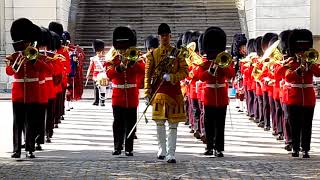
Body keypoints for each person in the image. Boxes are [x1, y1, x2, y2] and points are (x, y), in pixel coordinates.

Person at [5, 18, 49, 158]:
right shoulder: (14, 56)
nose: (24, 45)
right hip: (18, 93)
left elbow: (46, 69)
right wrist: (11, 64)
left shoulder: (37, 56)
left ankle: (30, 148)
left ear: (30, 41)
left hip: (33, 93)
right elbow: (10, 72)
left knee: (31, 123)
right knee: (17, 122)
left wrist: (34, 60)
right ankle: (17, 149)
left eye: (26, 42)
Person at [144, 23, 188, 163]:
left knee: (173, 125)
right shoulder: (152, 54)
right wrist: (147, 92)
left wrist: (173, 77)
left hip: (174, 93)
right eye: (162, 36)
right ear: (159, 37)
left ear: (170, 36)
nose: (164, 38)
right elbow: (147, 75)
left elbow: (185, 71)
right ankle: (162, 149)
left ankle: (171, 153)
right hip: (158, 93)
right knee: (160, 123)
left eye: (166, 35)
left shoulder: (178, 53)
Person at [105, 26, 145, 156]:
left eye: (125, 47)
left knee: (131, 122)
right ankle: (117, 146)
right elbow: (109, 74)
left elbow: (143, 70)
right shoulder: (113, 57)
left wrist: (133, 64)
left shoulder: (135, 55)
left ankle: (129, 148)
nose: (123, 49)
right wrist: (119, 68)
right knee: (118, 123)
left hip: (132, 95)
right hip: (118, 95)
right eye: (121, 47)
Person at [198, 27, 235, 157]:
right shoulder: (205, 62)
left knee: (220, 124)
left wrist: (222, 66)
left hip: (221, 95)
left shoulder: (225, 59)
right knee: (208, 123)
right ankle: (209, 147)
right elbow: (200, 76)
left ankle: (219, 148)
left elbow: (231, 74)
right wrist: (210, 70)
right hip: (209, 95)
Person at [86, 39, 107, 106]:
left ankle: (102, 101)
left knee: (103, 87)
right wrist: (88, 74)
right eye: (98, 52)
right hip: (95, 74)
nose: (99, 53)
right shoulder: (93, 58)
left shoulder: (106, 58)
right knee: (96, 88)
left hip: (103, 74)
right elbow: (90, 67)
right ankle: (96, 100)